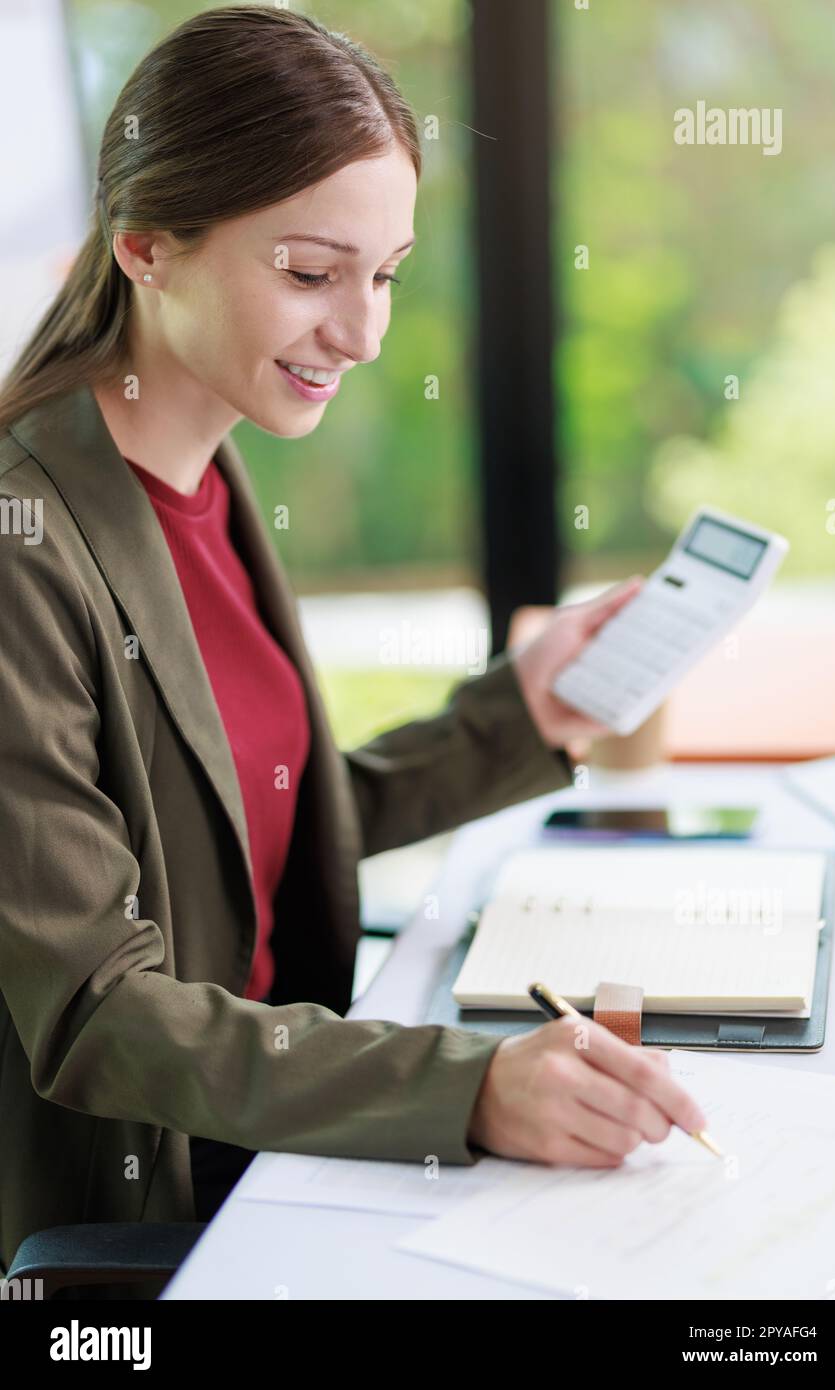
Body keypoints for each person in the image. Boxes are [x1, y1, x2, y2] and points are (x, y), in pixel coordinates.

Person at [0, 4, 705, 1291]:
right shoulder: (24, 544)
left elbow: (252, 829)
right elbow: (97, 1009)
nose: (367, 333)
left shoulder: (201, 469)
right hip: (170, 1187)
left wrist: (521, 720)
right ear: (147, 247)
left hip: (284, 1130)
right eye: (313, 273)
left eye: (386, 273)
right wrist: (472, 1088)